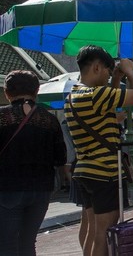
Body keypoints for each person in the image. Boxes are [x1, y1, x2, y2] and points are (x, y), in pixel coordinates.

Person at [66, 45, 133, 256]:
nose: (108, 74)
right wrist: (130, 71)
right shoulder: (96, 95)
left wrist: (114, 80)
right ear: (96, 67)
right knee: (105, 231)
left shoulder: (73, 96)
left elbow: (105, 110)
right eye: (107, 70)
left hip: (86, 170)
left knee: (95, 230)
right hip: (104, 172)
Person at [0, 70, 66, 255]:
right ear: (37, 91)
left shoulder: (2, 117)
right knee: (28, 243)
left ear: (7, 93)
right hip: (41, 191)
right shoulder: (50, 120)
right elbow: (60, 158)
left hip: (7, 190)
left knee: (6, 244)